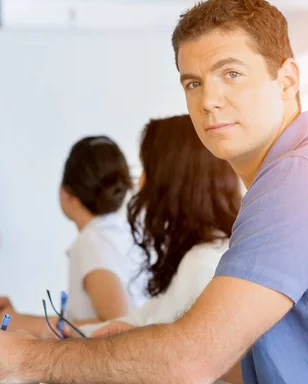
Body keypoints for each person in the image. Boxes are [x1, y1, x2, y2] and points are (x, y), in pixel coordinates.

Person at [0, 0, 308, 384]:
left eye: (232, 73)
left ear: (287, 80)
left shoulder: (301, 179)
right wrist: (134, 345)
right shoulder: (300, 171)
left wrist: (26, 359)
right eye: (193, 82)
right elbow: (264, 364)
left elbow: (190, 361)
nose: (208, 100)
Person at [72, 115, 240, 338]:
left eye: (146, 169)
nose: (140, 182)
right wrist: (55, 334)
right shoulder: (196, 257)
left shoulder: (202, 265)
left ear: (171, 179)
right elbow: (138, 321)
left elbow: (156, 351)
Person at [0, 135, 148, 337]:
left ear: (67, 192)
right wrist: (13, 317)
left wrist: (14, 321)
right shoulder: (126, 233)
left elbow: (117, 324)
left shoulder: (92, 241)